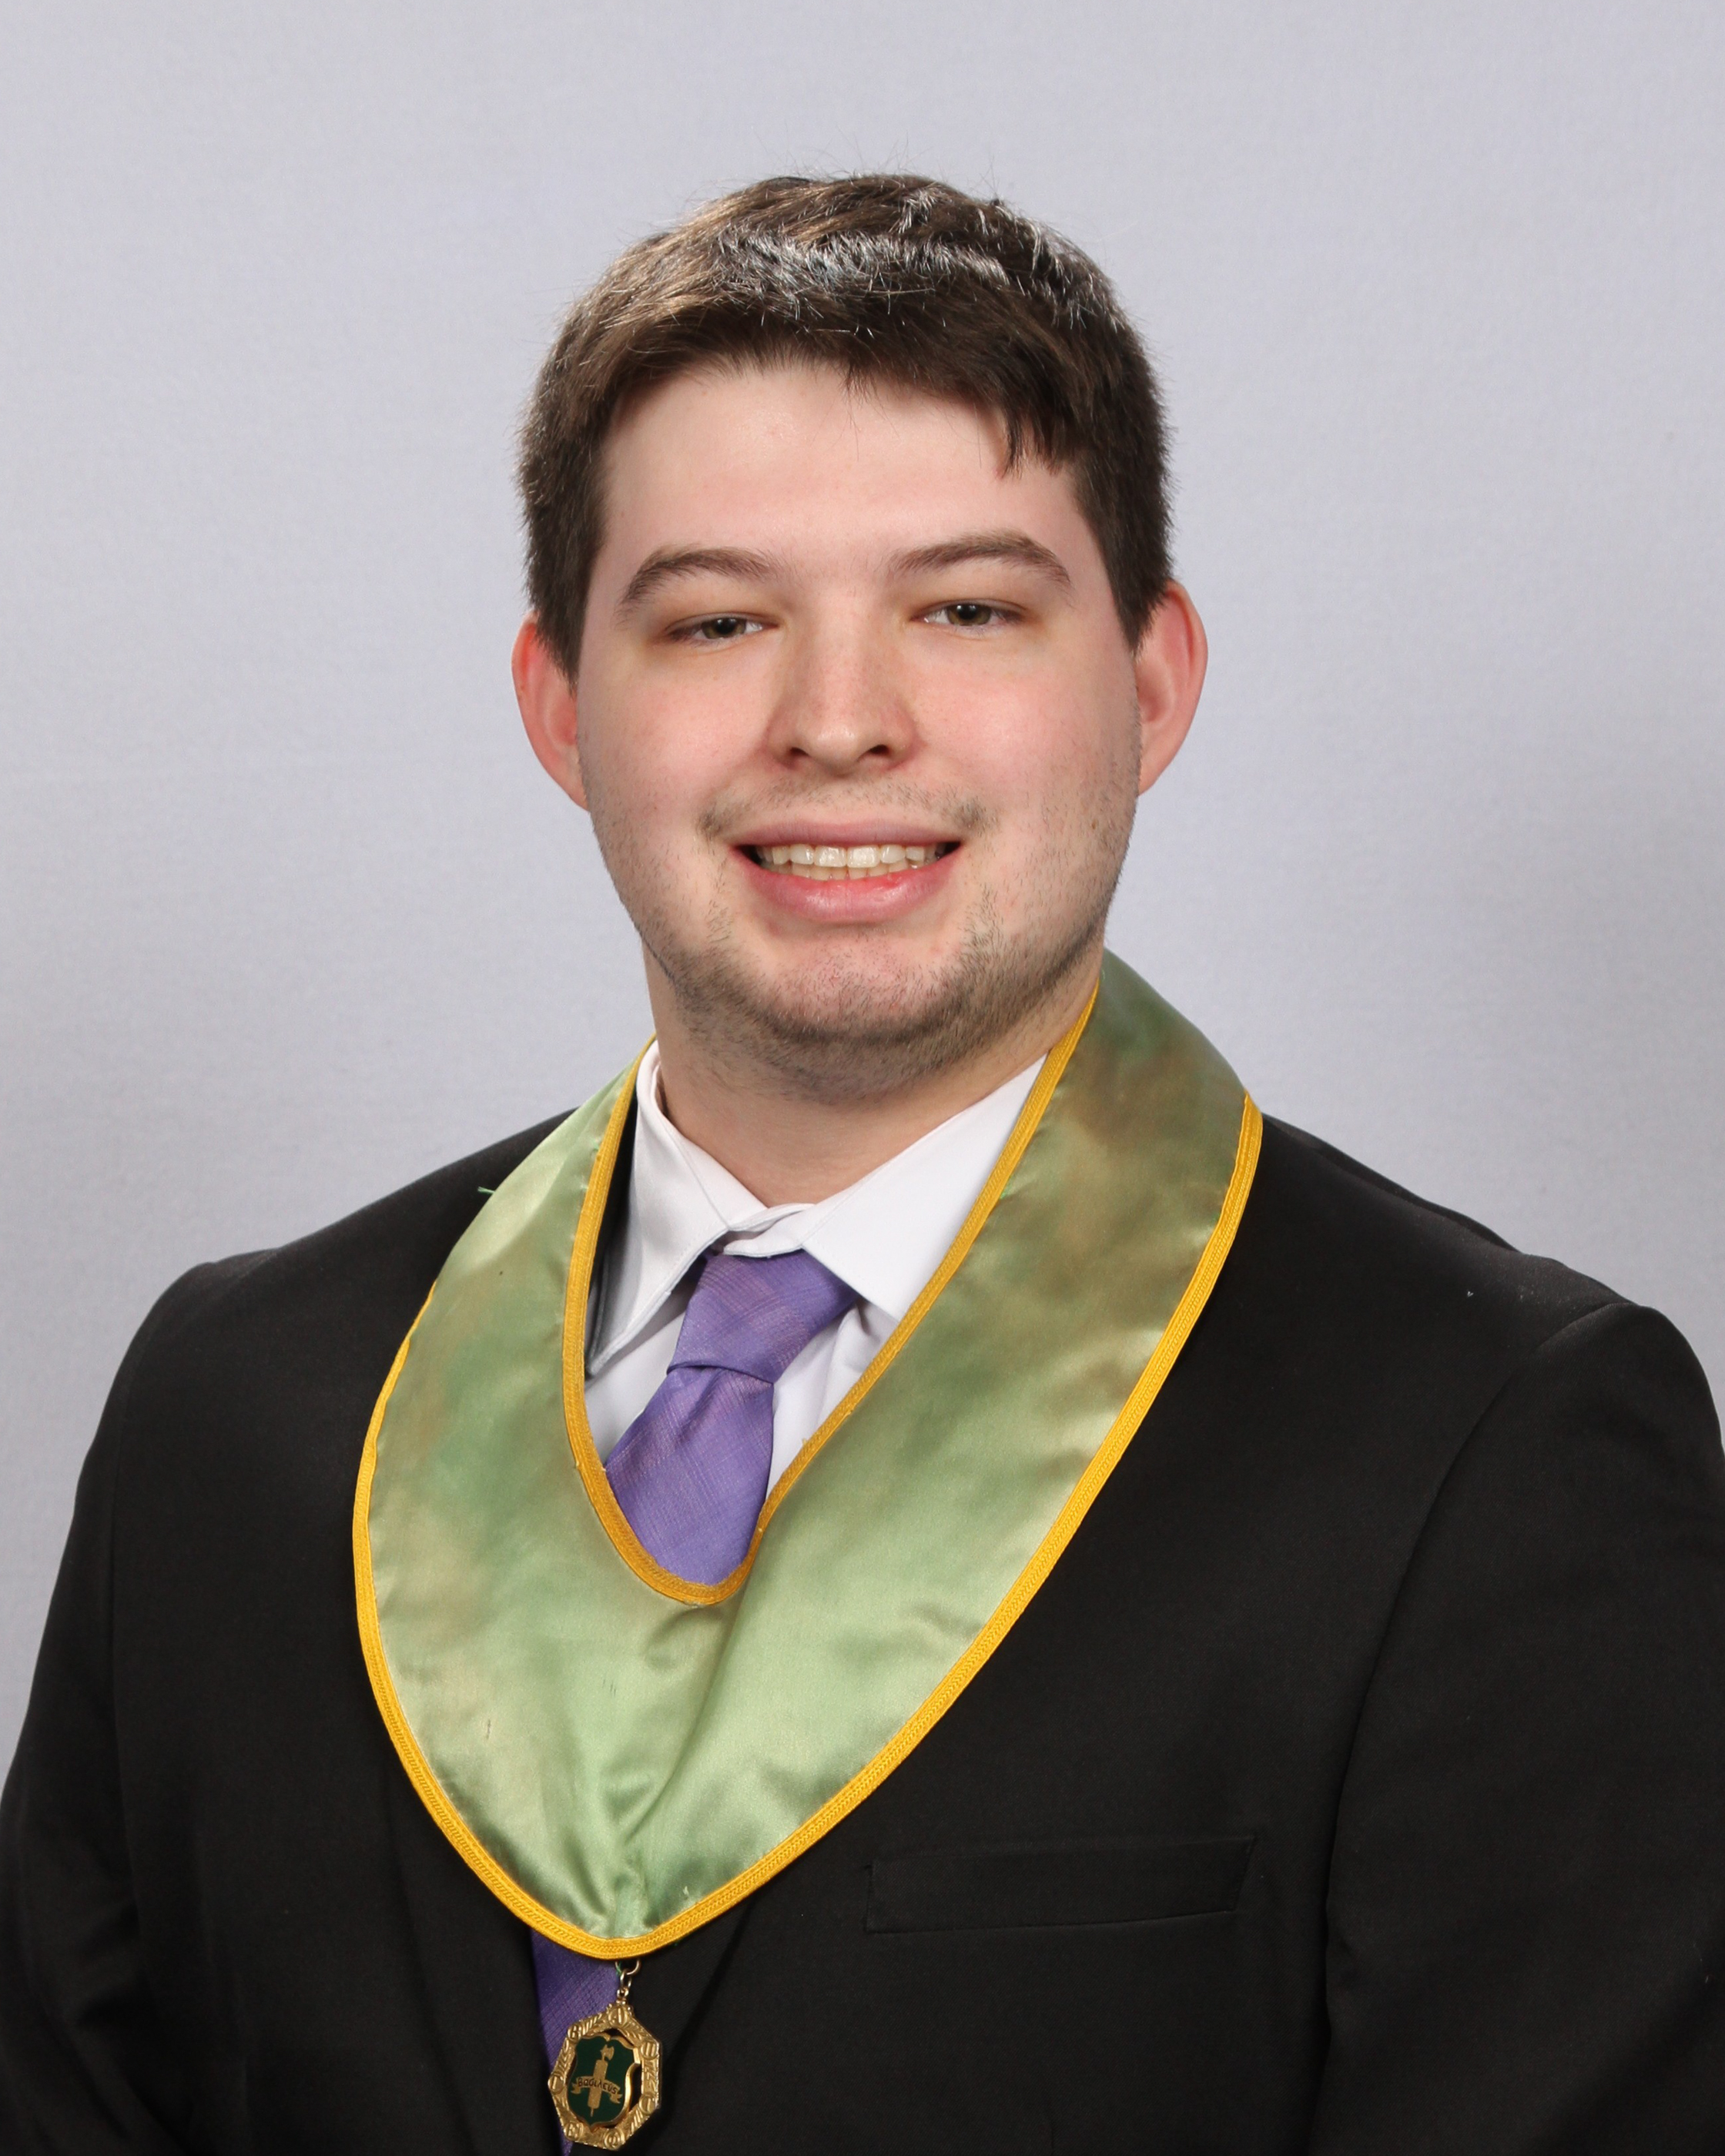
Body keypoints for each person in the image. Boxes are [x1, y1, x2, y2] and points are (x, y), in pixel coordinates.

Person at [2, 173, 1723, 2156]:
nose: (837, 721)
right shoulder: (233, 1418)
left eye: (967, 608)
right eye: (716, 619)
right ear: (559, 704)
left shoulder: (1487, 1447)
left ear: (1150, 682)